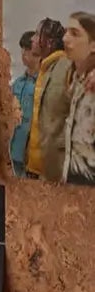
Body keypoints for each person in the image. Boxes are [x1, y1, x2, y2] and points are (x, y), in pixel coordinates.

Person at [24, 18, 73, 181]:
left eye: (38, 34)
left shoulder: (67, 68)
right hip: (32, 169)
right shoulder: (43, 69)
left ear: (50, 42)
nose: (33, 39)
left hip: (53, 173)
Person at [59, 13, 95, 185]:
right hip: (73, 178)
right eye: (66, 32)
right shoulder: (75, 78)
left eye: (75, 33)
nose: (65, 38)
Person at [9, 31, 40, 176]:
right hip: (13, 150)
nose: (24, 54)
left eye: (28, 50)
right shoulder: (17, 83)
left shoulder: (43, 85)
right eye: (23, 49)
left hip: (32, 154)